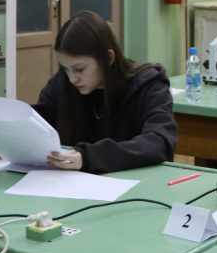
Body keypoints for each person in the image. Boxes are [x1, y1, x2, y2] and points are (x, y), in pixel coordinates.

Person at [24, 11, 178, 173]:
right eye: (65, 69)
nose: (72, 79)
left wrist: (88, 157)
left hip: (134, 182)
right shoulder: (62, 84)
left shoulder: (149, 84)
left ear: (108, 58)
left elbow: (160, 142)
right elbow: (36, 121)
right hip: (69, 183)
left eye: (79, 69)